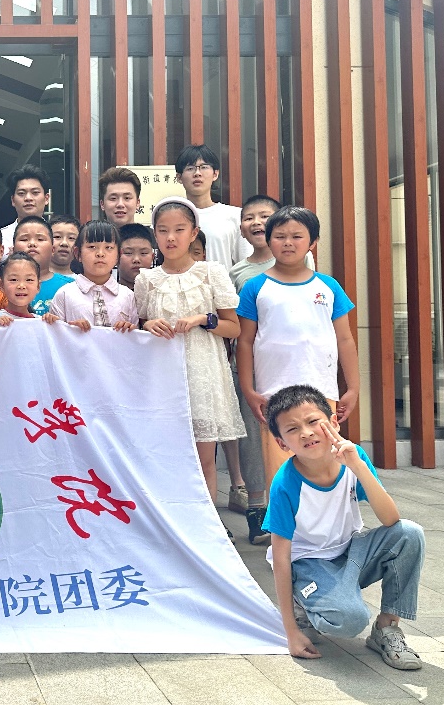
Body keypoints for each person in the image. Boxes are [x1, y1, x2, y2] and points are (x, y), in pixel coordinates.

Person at [264, 384, 425, 670]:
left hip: (351, 552)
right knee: (349, 620)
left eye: (312, 421)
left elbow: (391, 519)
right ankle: (304, 603)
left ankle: (386, 628)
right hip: (310, 563)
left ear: (333, 422)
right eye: (292, 429)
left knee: (409, 534)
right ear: (282, 443)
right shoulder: (285, 484)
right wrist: (290, 631)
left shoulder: (353, 457)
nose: (306, 433)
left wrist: (357, 466)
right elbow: (280, 557)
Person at [237, 205, 359, 490]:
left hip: (321, 390)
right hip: (273, 393)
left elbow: (345, 339)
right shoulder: (255, 287)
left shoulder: (329, 286)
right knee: (280, 468)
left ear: (313, 242)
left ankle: (324, 518)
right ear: (269, 240)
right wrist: (248, 389)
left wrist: (353, 388)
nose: (288, 243)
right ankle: (283, 519)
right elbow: (244, 341)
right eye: (280, 236)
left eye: (297, 236)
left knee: (324, 462)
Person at [135, 196, 245, 515]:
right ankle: (173, 522)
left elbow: (233, 327)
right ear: (154, 234)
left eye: (179, 230)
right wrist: (147, 324)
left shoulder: (211, 273)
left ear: (194, 233)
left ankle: (208, 525)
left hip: (203, 374)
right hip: (161, 376)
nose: (171, 237)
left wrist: (203, 319)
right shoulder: (146, 280)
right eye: (163, 230)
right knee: (166, 456)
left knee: (203, 458)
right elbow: (138, 326)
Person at [227, 194, 291, 545]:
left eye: (264, 216)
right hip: (250, 365)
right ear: (241, 228)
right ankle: (256, 511)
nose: (256, 222)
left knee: (289, 435)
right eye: (249, 217)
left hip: (289, 365)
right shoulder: (237, 273)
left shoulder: (301, 262)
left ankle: (292, 508)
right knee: (251, 437)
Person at [46, 220, 138, 332]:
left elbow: (136, 337)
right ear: (77, 253)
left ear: (118, 255)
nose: (100, 253)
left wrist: (128, 329)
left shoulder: (127, 296)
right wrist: (71, 330)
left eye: (109, 247)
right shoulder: (65, 295)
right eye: (92, 247)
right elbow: (54, 336)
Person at [175, 143, 252, 270]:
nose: (197, 173)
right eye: (190, 168)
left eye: (204, 167)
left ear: (215, 174)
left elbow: (246, 265)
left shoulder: (235, 216)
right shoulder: (171, 218)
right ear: (179, 177)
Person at [11, 215, 73, 316]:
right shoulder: (3, 287)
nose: (32, 244)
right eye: (24, 239)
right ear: (13, 250)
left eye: (40, 239)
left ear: (52, 250)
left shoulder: (70, 287)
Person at [0, 252, 42, 328]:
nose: (21, 286)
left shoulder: (42, 322)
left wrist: (52, 324)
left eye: (29, 280)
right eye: (13, 279)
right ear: (1, 285)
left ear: (38, 286)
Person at [0, 165, 51, 253]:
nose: (28, 198)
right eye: (21, 193)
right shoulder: (1, 238)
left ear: (46, 198)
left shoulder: (56, 236)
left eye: (35, 192)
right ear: (13, 200)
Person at [116, 223, 156, 291]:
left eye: (143, 253)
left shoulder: (161, 293)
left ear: (152, 257)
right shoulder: (106, 294)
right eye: (128, 253)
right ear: (115, 257)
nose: (136, 259)